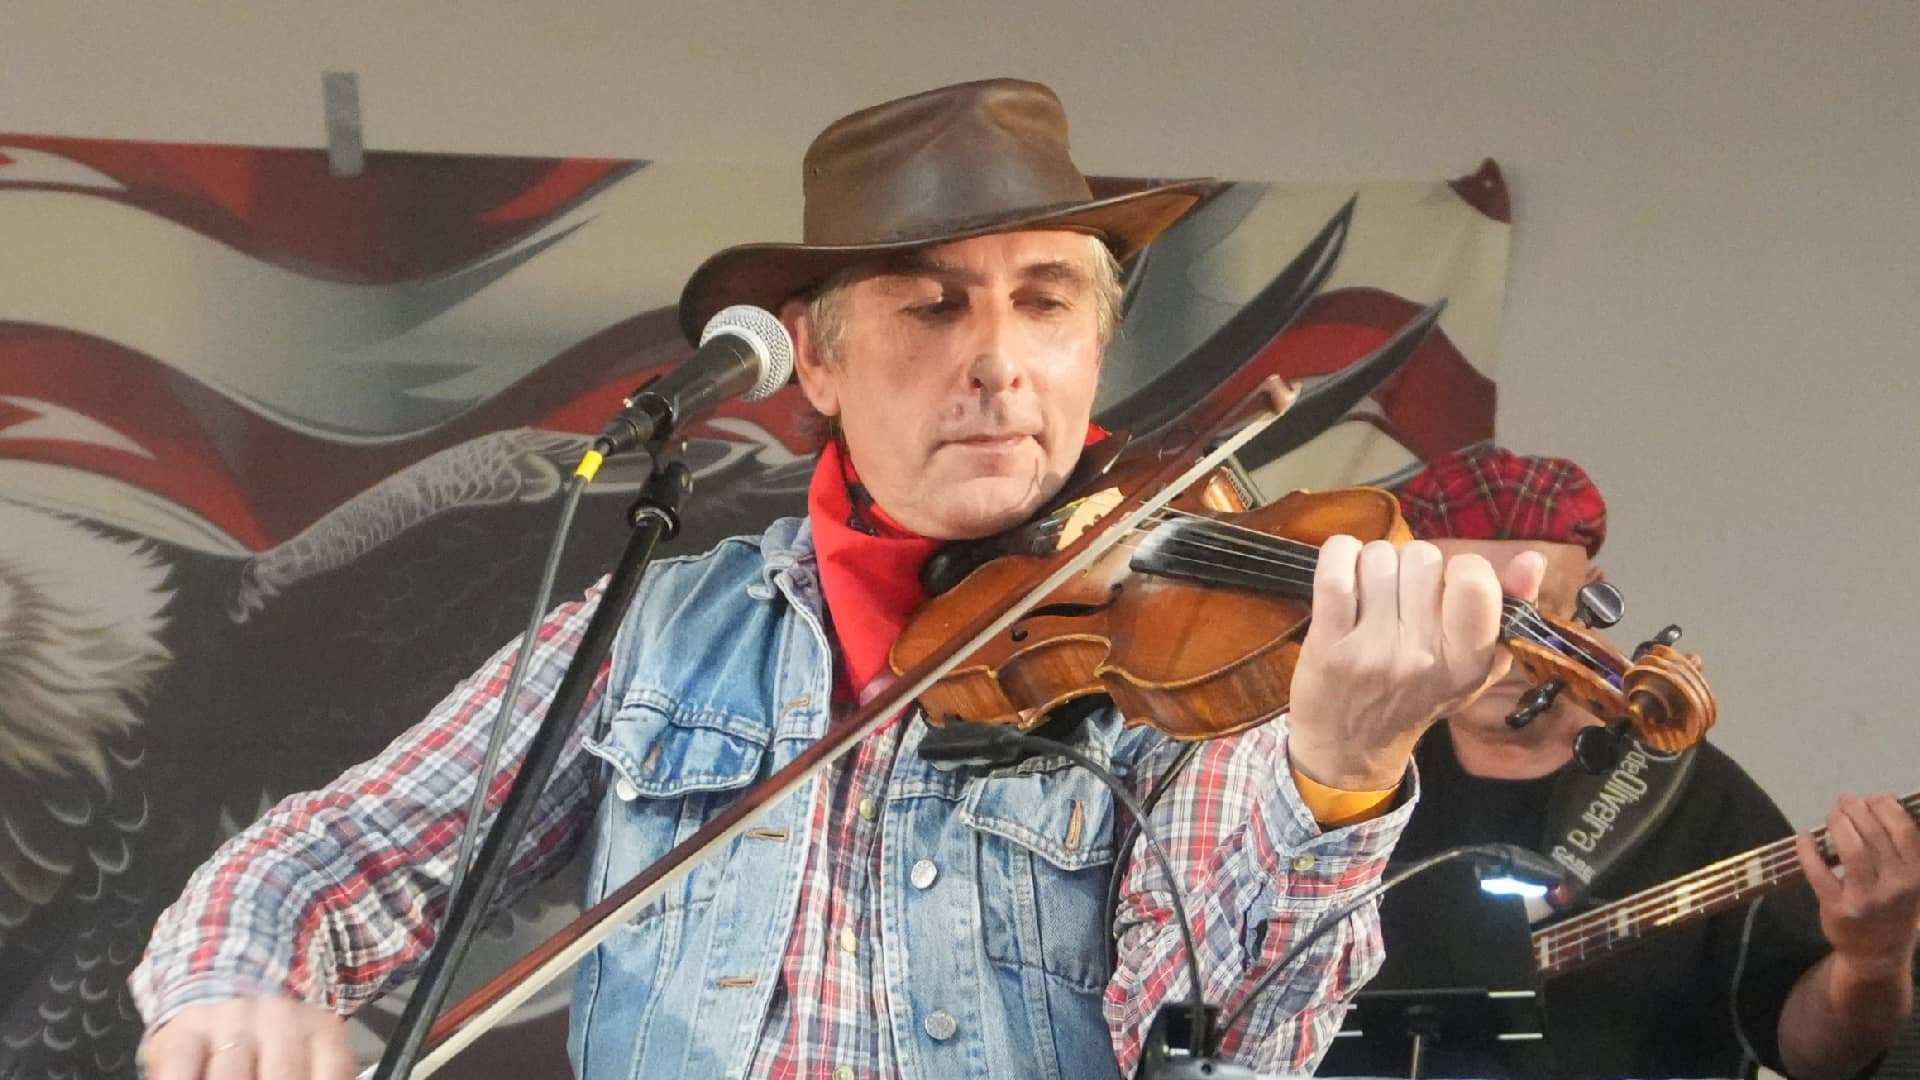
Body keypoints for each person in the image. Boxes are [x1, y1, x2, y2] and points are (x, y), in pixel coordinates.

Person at [129, 78, 1543, 1080]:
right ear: (816, 358)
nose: (997, 356)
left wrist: (1337, 773)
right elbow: (324, 857)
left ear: (1091, 350)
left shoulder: (1186, 663)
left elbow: (1232, 1053)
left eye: (1044, 301)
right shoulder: (659, 631)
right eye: (934, 303)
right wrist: (235, 992)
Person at [1371, 445, 1919, 1079]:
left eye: (1537, 611)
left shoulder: (1688, 791)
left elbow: (1815, 1059)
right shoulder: (1356, 787)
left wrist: (1873, 963)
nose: (1504, 645)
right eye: (1466, 607)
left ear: (1594, 600)